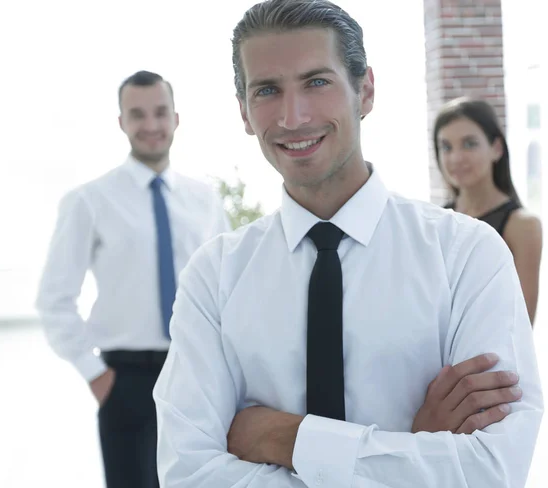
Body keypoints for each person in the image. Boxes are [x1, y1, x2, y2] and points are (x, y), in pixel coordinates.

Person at [153, 1, 543, 487]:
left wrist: (285, 438)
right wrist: (412, 447)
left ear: (366, 91)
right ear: (245, 113)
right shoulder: (213, 277)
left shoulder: (468, 255)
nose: (293, 117)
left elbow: (492, 469)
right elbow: (188, 473)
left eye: (317, 81)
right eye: (268, 90)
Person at [36, 70, 230, 488]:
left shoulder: (205, 200)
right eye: (137, 115)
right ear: (121, 122)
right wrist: (96, 375)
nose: (151, 125)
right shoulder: (89, 200)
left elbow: (227, 289)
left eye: (160, 113)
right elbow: (54, 298)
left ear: (176, 118)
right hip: (126, 379)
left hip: (197, 374)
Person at [434, 97, 542, 325]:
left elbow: (520, 325)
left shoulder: (523, 226)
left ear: (496, 148)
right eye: (446, 147)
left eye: (469, 144)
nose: (456, 158)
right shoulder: (435, 221)